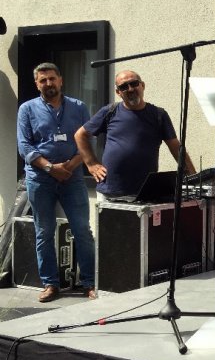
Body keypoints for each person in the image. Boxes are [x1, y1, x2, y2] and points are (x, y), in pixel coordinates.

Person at [16, 63, 97, 302]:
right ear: (37, 84)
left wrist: (69, 167)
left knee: (82, 230)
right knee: (43, 232)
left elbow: (86, 142)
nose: (48, 84)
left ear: (60, 80)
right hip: (40, 179)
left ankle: (90, 283)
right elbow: (25, 146)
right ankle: (51, 284)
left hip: (72, 178)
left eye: (52, 79)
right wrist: (51, 168)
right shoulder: (27, 109)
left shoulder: (79, 107)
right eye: (43, 80)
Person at [74, 70, 196, 199]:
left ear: (142, 85)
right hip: (110, 191)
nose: (130, 89)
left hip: (145, 191)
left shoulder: (159, 115)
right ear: (118, 92)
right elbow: (80, 135)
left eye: (134, 83)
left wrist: (193, 177)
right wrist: (91, 164)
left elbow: (175, 147)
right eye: (124, 86)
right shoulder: (109, 112)